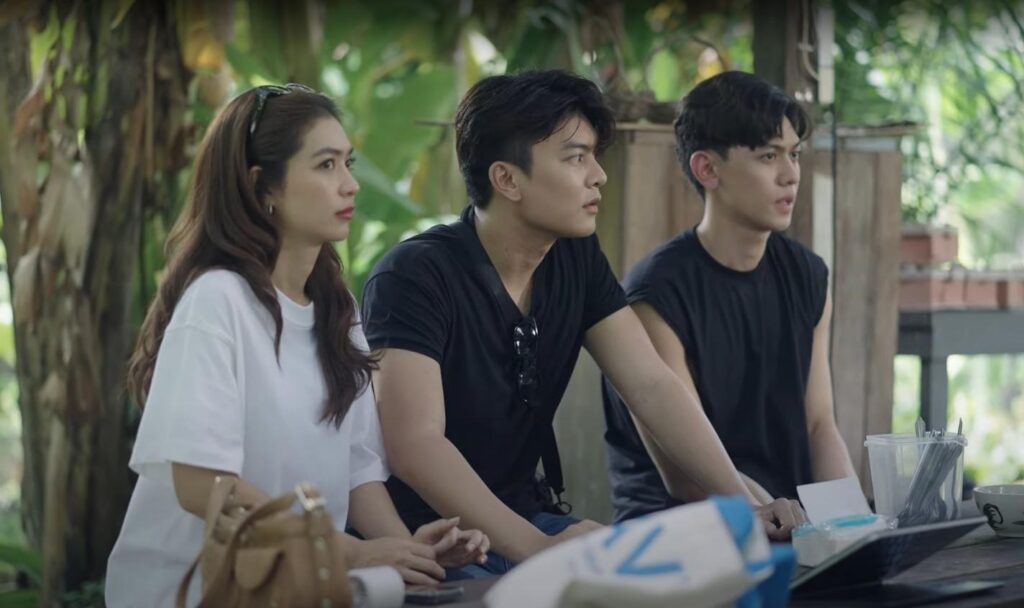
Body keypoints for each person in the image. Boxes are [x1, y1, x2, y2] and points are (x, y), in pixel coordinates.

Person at [361, 70, 804, 579]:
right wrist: (538, 548)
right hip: (431, 541)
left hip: (530, 521)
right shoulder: (413, 275)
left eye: (594, 155)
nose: (598, 175)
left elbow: (651, 385)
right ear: (507, 179)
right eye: (576, 158)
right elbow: (415, 444)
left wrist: (743, 503)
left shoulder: (574, 256)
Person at [105, 83, 487, 607]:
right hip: (190, 592)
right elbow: (201, 485)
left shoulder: (336, 309)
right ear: (261, 186)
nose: (350, 184)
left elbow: (358, 474)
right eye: (326, 165)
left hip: (299, 587)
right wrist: (350, 553)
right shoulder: (218, 302)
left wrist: (407, 552)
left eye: (348, 163)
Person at [602, 71, 857, 523]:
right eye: (768, 156)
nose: (790, 175)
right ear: (707, 169)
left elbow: (819, 425)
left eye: (794, 154)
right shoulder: (655, 295)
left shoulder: (807, 275)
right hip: (681, 530)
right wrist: (773, 516)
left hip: (786, 523)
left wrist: (851, 524)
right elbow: (687, 479)